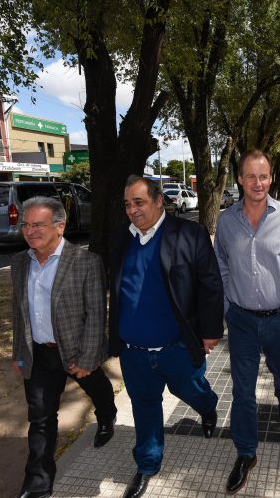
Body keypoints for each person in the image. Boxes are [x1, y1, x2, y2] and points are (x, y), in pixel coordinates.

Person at [109, 176, 223, 498]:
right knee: (145, 406)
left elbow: (210, 284)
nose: (132, 210)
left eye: (139, 202)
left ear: (159, 201)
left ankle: (208, 406)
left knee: (191, 389)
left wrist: (211, 331)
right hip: (133, 350)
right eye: (128, 204)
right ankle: (147, 464)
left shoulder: (190, 234)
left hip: (177, 346)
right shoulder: (120, 237)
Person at [214, 149, 280, 495]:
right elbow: (221, 265)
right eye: (251, 176)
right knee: (242, 389)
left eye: (264, 176)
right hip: (241, 320)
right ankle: (246, 452)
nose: (258, 183)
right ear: (239, 179)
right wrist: (227, 308)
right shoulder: (226, 221)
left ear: (271, 178)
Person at [11, 197, 116, 498]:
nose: (30, 231)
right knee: (41, 417)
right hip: (38, 354)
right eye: (26, 225)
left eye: (38, 225)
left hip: (75, 350)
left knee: (97, 388)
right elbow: (18, 313)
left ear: (60, 226)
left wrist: (88, 358)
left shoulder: (86, 262)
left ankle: (107, 415)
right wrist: (19, 354)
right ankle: (38, 484)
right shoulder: (20, 262)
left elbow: (96, 314)